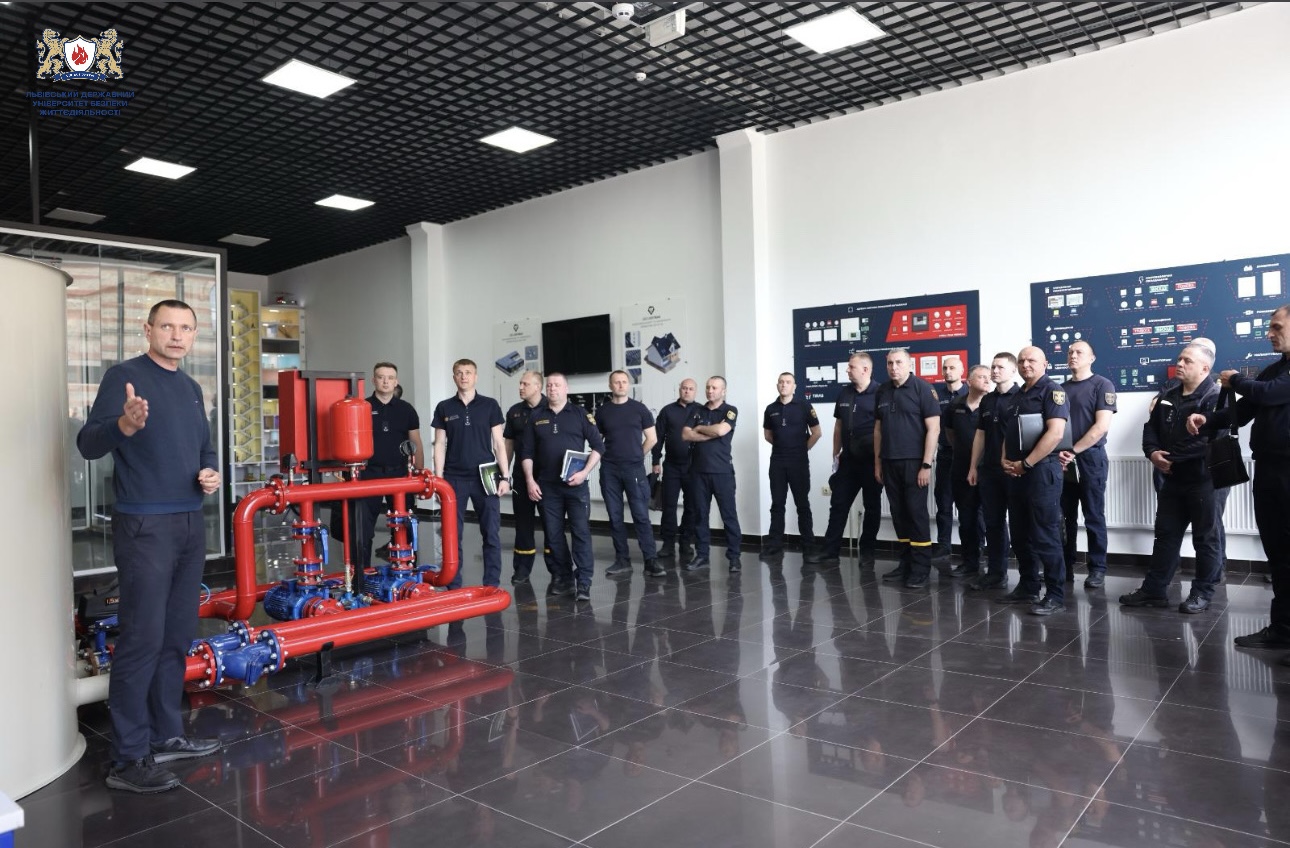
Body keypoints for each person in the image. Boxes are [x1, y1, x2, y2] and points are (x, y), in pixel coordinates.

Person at [76, 299, 222, 793]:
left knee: (176, 634)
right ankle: (128, 758)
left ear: (193, 335)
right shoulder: (125, 377)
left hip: (189, 521)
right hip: (145, 524)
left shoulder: (191, 388)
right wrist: (124, 426)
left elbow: (204, 448)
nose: (177, 335)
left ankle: (165, 734)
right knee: (142, 638)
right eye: (167, 326)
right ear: (148, 329)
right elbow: (88, 443)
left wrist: (209, 473)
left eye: (186, 328)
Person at [1187, 304, 1290, 656]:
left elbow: (1269, 393)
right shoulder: (1273, 370)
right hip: (1269, 469)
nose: (1269, 333)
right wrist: (1208, 419)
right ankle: (1283, 630)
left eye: (1277, 327)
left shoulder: (1272, 380)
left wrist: (1236, 381)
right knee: (1278, 553)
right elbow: (1243, 412)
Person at [1121, 344, 1222, 613]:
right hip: (1173, 480)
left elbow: (1208, 441)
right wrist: (1153, 453)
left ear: (1205, 368)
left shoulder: (1215, 397)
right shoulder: (1168, 394)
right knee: (1166, 535)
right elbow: (1151, 428)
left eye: (1187, 360)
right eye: (1179, 359)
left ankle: (1202, 593)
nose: (1180, 363)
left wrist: (1170, 458)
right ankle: (1154, 591)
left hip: (1203, 480)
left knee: (1205, 539)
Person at [998, 346, 1070, 616]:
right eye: (1021, 361)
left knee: (1045, 534)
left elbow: (1056, 433)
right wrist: (1005, 459)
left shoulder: (1053, 391)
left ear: (1045, 364)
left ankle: (1055, 594)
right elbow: (1009, 432)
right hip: (1016, 472)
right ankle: (1028, 587)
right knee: (1019, 534)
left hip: (1041, 470)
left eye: (1031, 360)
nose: (1026, 364)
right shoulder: (1017, 395)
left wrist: (1026, 463)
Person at [521, 372, 605, 601]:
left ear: (566, 388)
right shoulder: (536, 416)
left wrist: (585, 473)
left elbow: (598, 446)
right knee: (553, 534)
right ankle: (564, 578)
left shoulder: (580, 414)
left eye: (557, 385)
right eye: (549, 385)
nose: (552, 388)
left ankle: (584, 581)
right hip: (547, 487)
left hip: (576, 487)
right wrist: (530, 480)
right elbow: (526, 453)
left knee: (581, 533)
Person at [432, 359, 508, 588]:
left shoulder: (490, 405)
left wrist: (505, 477)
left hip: (486, 477)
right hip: (454, 478)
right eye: (459, 373)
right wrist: (438, 480)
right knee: (452, 534)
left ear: (475, 376)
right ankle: (453, 585)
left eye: (468, 372)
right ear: (454, 377)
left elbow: (499, 443)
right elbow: (439, 444)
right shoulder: (444, 407)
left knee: (491, 533)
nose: (463, 376)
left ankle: (491, 584)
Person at [873, 348, 941, 588]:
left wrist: (926, 464)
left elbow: (934, 429)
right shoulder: (882, 391)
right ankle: (906, 564)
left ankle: (921, 568)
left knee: (915, 513)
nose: (894, 367)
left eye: (899, 362)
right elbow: (878, 430)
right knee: (899, 514)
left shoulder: (923, 389)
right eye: (890, 363)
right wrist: (878, 462)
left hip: (915, 463)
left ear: (910, 365)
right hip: (889, 461)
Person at [807, 353, 883, 567]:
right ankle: (830, 551)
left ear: (865, 370)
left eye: (851, 367)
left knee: (872, 507)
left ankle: (867, 552)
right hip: (848, 461)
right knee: (838, 504)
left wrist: (881, 461)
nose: (847, 370)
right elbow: (839, 426)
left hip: (871, 461)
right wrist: (835, 454)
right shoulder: (844, 393)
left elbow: (884, 429)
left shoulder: (881, 393)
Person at [354, 362, 424, 589]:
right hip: (369, 475)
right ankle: (361, 579)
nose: (385, 381)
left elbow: (415, 441)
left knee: (404, 527)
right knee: (363, 530)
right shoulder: (362, 407)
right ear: (373, 380)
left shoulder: (406, 409)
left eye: (390, 377)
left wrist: (420, 474)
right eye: (381, 377)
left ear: (396, 382)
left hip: (400, 475)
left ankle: (406, 576)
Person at [1058, 341, 1117, 589]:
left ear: (1092, 358)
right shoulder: (1059, 389)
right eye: (1070, 352)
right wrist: (1061, 454)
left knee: (1093, 515)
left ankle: (1097, 569)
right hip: (1062, 460)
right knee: (1064, 517)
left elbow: (1101, 427)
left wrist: (1073, 451)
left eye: (1079, 352)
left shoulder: (1102, 385)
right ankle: (1065, 567)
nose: (1073, 355)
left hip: (1090, 458)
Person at [596, 370, 663, 578]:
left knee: (641, 515)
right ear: (610, 385)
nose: (620, 385)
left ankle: (650, 561)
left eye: (624, 382)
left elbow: (652, 438)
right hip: (609, 470)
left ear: (628, 385)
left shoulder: (639, 409)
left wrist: (637, 455)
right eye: (616, 382)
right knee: (615, 516)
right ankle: (622, 560)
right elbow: (597, 440)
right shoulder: (603, 411)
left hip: (634, 469)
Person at [967, 353, 1020, 591]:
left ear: (1013, 370)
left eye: (1000, 367)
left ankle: (1029, 578)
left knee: (1020, 524)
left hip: (1014, 470)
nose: (995, 371)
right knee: (993, 523)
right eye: (993, 367)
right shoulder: (987, 400)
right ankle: (996, 574)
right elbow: (980, 435)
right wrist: (973, 466)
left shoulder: (1021, 396)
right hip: (989, 471)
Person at [682, 376, 742, 573]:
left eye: (714, 388)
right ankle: (702, 555)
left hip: (722, 472)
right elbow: (685, 434)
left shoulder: (730, 410)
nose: (710, 390)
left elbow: (722, 431)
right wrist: (711, 433)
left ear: (723, 391)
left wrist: (699, 428)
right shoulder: (696, 410)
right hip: (698, 472)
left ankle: (734, 557)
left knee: (729, 515)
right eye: (708, 387)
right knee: (700, 515)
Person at [762, 372, 821, 557]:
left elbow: (817, 433)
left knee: (802, 504)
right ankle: (774, 545)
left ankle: (809, 546)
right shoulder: (770, 408)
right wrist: (783, 447)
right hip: (778, 462)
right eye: (781, 382)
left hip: (798, 462)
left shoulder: (804, 406)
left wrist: (802, 449)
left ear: (794, 386)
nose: (784, 385)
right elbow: (768, 435)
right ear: (777, 385)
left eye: (788, 382)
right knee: (777, 504)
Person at [945, 365, 991, 580]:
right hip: (961, 469)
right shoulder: (955, 405)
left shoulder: (992, 404)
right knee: (966, 517)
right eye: (981, 377)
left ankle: (995, 566)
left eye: (989, 377)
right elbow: (950, 434)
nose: (987, 380)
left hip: (988, 470)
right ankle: (969, 562)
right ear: (969, 382)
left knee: (992, 519)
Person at [503, 370, 546, 585]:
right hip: (521, 476)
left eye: (525, 384)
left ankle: (559, 571)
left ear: (538, 386)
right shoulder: (514, 412)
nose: (520, 387)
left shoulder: (551, 408)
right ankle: (521, 569)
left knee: (552, 524)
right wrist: (504, 474)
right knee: (523, 523)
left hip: (547, 476)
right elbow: (508, 444)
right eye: (520, 383)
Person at [652, 378, 697, 562]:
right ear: (679, 390)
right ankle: (668, 544)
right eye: (684, 388)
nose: (687, 391)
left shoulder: (701, 410)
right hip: (671, 466)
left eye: (690, 389)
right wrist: (656, 460)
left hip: (694, 467)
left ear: (695, 391)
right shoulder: (667, 411)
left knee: (691, 506)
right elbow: (658, 437)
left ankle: (686, 542)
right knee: (668, 506)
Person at [933, 356, 966, 562]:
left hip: (966, 456)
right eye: (945, 368)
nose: (948, 371)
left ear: (962, 370)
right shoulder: (936, 394)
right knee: (943, 503)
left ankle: (974, 549)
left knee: (969, 506)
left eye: (952, 367)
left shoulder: (970, 393)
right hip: (944, 454)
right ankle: (943, 546)